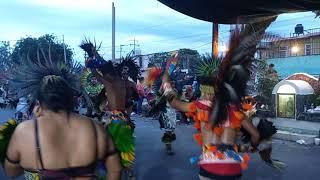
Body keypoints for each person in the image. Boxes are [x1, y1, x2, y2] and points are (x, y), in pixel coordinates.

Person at [3, 52, 121, 179]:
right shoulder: (95, 128)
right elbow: (115, 170)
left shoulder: (24, 131)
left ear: (39, 102)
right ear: (72, 99)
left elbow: (11, 172)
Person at [81, 42, 140, 179]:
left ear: (108, 75)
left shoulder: (109, 82)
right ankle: (129, 171)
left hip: (115, 120)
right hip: (124, 118)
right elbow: (131, 100)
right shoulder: (125, 83)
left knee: (108, 146)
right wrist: (94, 54)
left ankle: (112, 169)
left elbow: (97, 71)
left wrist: (90, 62)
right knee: (125, 146)